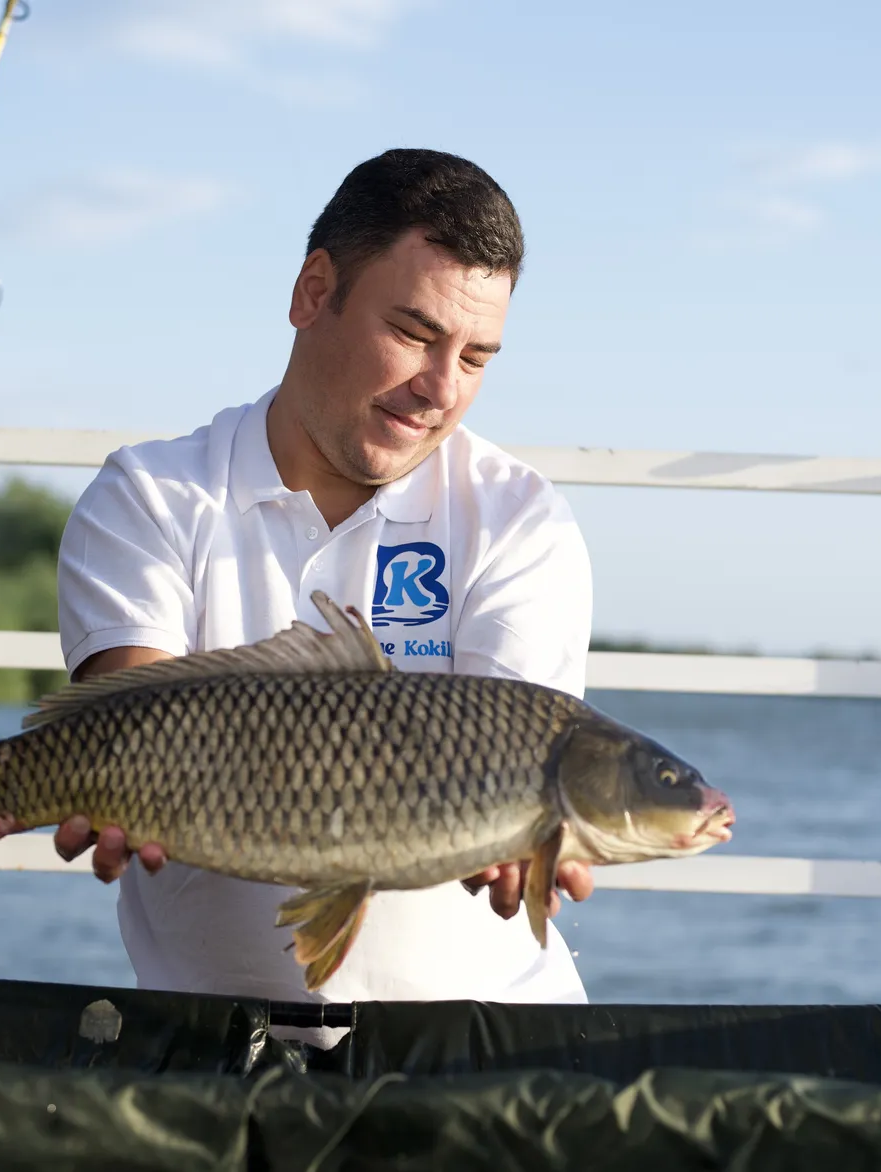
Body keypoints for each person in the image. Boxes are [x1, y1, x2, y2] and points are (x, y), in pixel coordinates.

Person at [53, 148, 597, 1017]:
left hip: (486, 1036)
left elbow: (511, 753)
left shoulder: (520, 518)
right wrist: (112, 784)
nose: (440, 388)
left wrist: (523, 834)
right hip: (209, 1041)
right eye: (414, 334)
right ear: (314, 292)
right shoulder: (151, 494)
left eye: (476, 357)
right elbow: (133, 724)